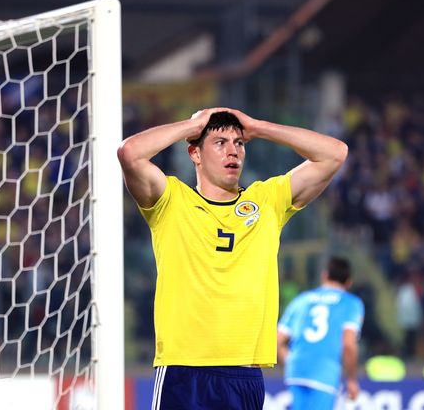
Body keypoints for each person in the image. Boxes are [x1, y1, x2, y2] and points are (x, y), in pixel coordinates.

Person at [117, 108, 347, 409]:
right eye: (220, 142)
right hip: (185, 371)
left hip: (244, 375)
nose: (232, 151)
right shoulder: (171, 201)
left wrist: (259, 126)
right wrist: (195, 124)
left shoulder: (267, 201)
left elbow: (334, 154)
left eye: (239, 143)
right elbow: (130, 153)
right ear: (195, 154)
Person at [276, 257, 365, 410]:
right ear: (349, 282)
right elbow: (348, 344)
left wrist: (291, 361)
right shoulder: (351, 303)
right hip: (324, 373)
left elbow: (276, 341)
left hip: (296, 371)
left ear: (324, 276)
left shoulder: (301, 300)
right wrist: (351, 379)